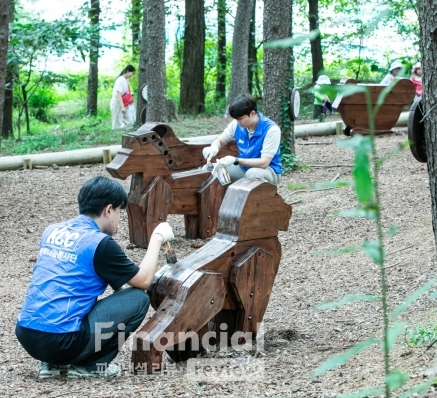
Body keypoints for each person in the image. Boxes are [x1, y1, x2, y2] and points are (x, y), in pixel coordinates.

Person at [15, 176, 174, 379]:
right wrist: (157, 238)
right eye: (119, 212)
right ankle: (90, 365)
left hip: (27, 335)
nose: (118, 218)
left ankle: (51, 364)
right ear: (109, 210)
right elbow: (143, 281)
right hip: (64, 342)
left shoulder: (52, 231)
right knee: (139, 299)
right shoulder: (100, 243)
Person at [202, 94, 282, 185]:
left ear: (252, 113)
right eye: (236, 119)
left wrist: (236, 160)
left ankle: (263, 197)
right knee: (208, 170)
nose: (238, 122)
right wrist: (214, 147)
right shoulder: (236, 125)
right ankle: (223, 197)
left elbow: (264, 163)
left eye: (240, 119)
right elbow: (219, 140)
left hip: (268, 171)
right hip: (243, 168)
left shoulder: (271, 130)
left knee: (252, 174)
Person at [110, 65, 135, 129]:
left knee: (129, 121)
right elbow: (118, 94)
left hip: (124, 101)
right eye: (132, 73)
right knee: (116, 122)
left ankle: (121, 130)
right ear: (127, 71)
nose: (131, 75)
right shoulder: (120, 80)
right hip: (117, 101)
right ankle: (115, 133)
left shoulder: (126, 80)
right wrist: (122, 106)